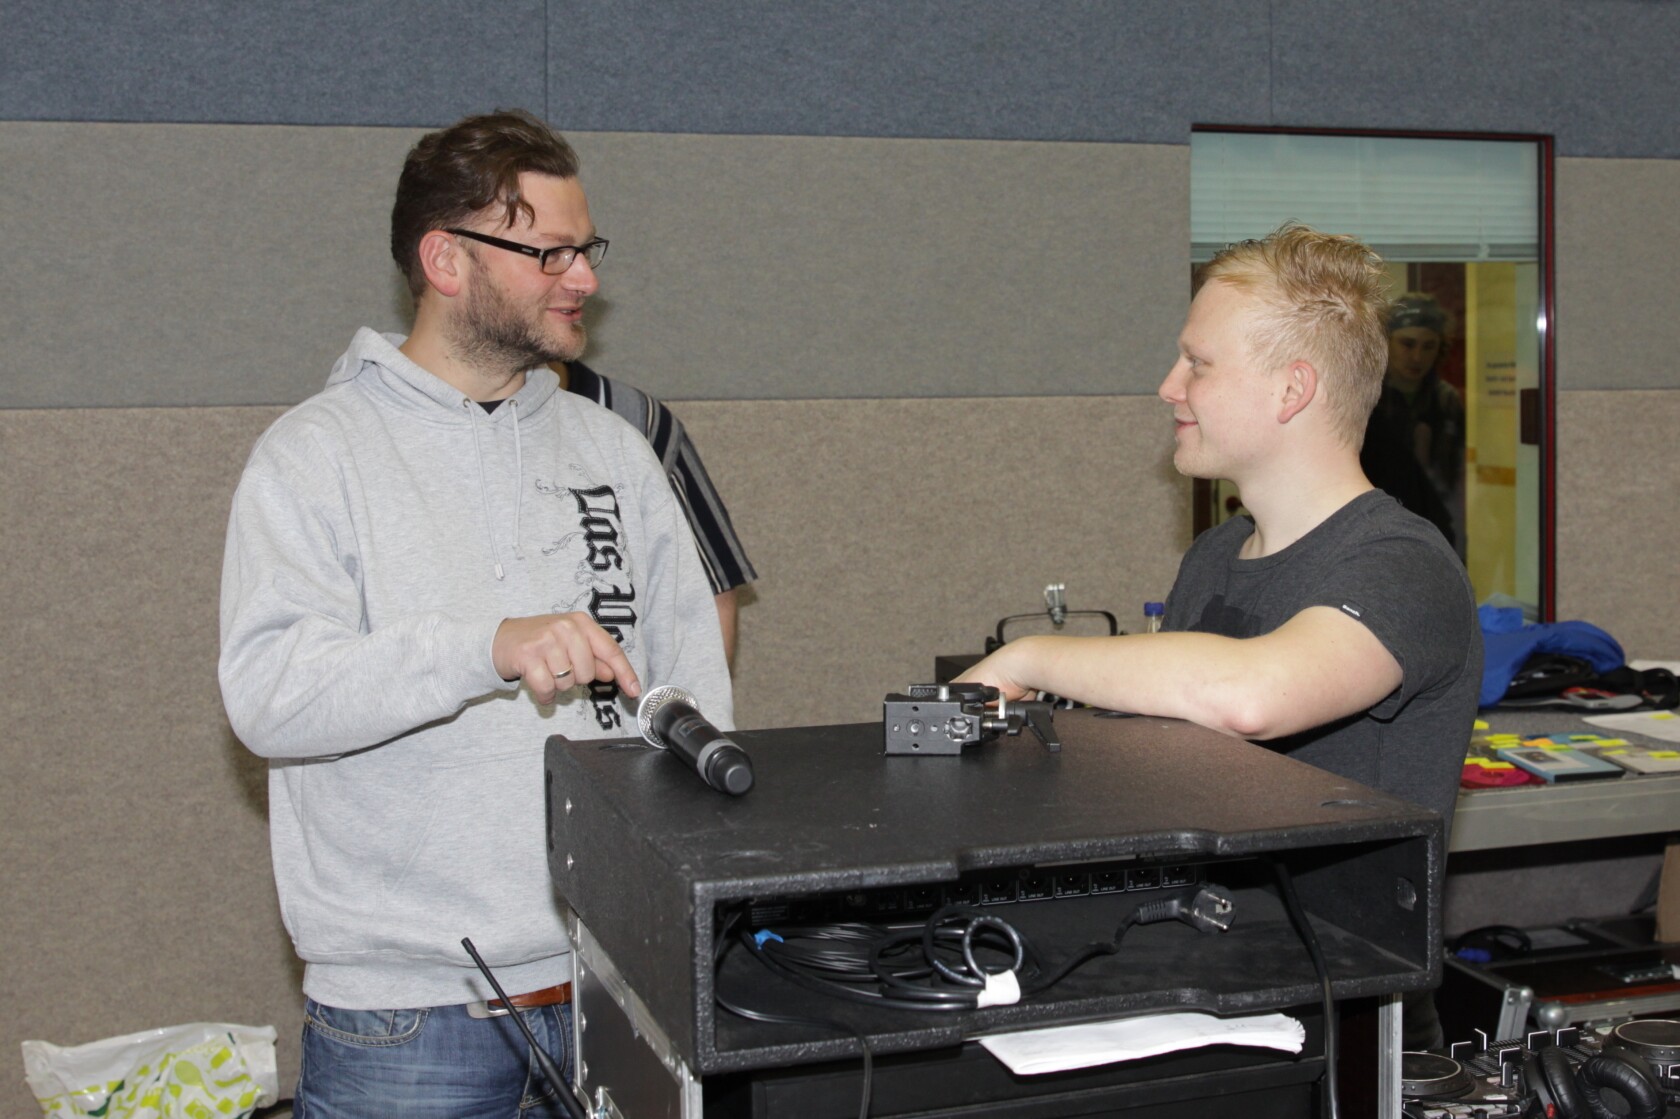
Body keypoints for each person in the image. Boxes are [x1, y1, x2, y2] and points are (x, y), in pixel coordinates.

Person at [218, 109, 732, 1117]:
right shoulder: (314, 456)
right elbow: (269, 697)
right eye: (550, 253)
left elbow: (691, 688)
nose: (583, 279)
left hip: (615, 987)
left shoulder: (615, 451)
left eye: (586, 250)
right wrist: (482, 648)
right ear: (446, 259)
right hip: (406, 1021)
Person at [958, 223, 1481, 1048]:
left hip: (1344, 1023)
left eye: (1197, 363)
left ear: (1292, 389)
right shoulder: (1214, 556)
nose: (1169, 387)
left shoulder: (1404, 566)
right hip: (1212, 982)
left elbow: (1251, 696)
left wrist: (1027, 656)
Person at [555, 360, 757, 664]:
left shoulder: (635, 418)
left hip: (621, 688)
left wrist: (688, 695)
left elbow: (707, 596)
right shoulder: (473, 432)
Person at [1362, 292, 1466, 554]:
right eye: (1408, 344)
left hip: (1434, 527)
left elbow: (1457, 481)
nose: (1417, 357)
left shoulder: (1446, 401)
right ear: (1387, 343)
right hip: (1376, 529)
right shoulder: (1366, 398)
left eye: (1428, 346)